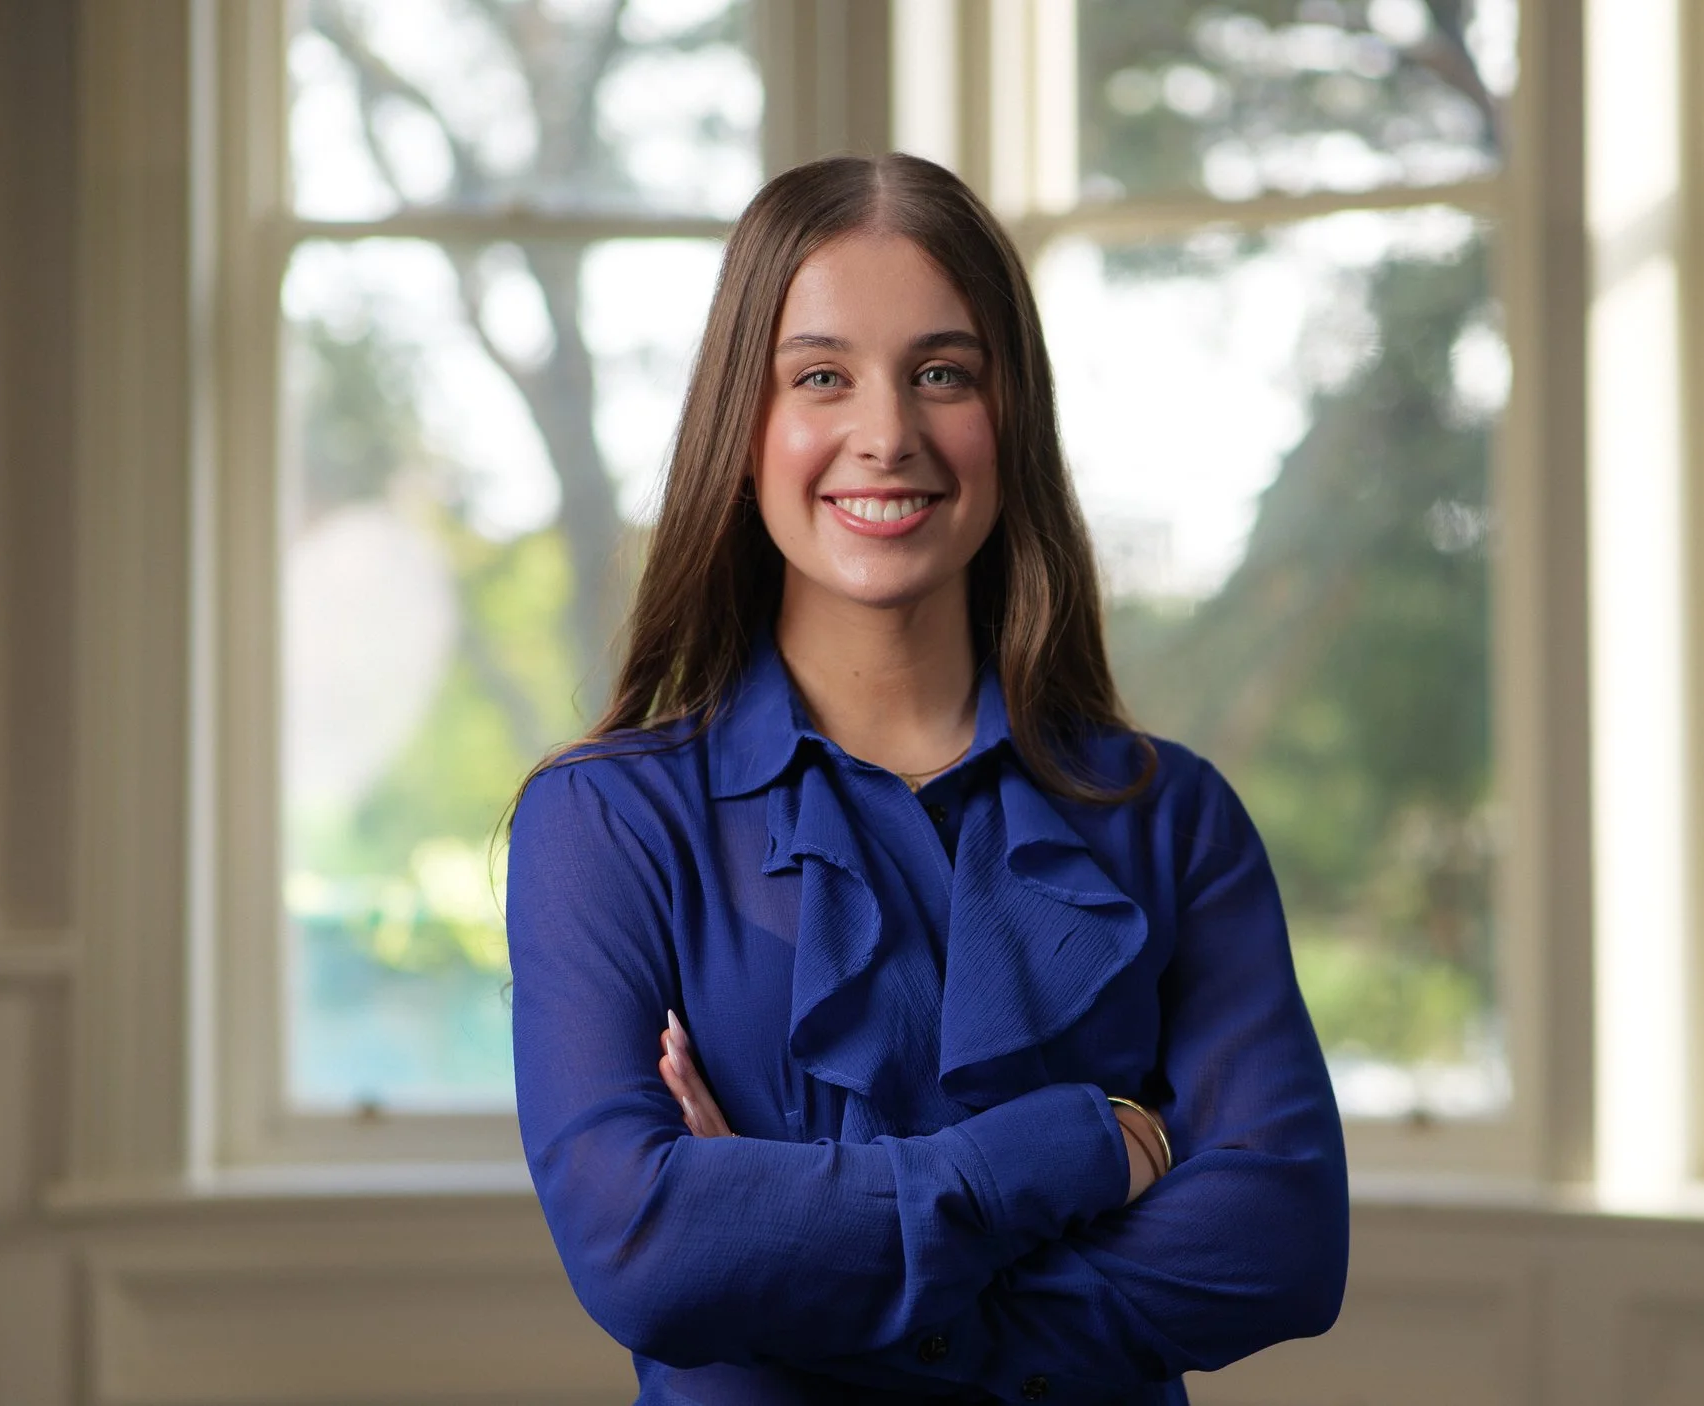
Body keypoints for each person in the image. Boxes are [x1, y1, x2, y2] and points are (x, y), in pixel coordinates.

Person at [506, 152, 1348, 1406]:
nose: (887, 434)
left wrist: (801, 1275)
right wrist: (1079, 1144)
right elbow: (648, 1250)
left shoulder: (1172, 821)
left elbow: (1281, 1242)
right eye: (822, 376)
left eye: (942, 373)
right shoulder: (607, 824)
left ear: (1012, 423)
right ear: (746, 427)